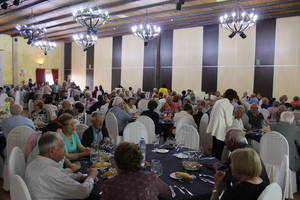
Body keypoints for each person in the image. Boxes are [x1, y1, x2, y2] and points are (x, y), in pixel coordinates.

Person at [25, 132, 97, 200]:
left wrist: (80, 177)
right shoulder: (51, 172)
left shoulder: (34, 163)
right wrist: (91, 176)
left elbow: (61, 175)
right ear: (51, 151)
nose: (65, 151)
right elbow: (83, 192)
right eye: (62, 147)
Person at [101, 142, 171, 200]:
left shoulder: (109, 185)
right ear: (139, 160)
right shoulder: (151, 178)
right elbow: (168, 195)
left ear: (116, 162)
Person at [207, 89, 237, 159]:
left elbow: (212, 113)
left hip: (214, 128)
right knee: (218, 152)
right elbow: (228, 122)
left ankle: (212, 165)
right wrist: (233, 117)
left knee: (214, 150)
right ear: (233, 98)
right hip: (221, 131)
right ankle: (217, 167)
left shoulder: (218, 101)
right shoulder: (229, 105)